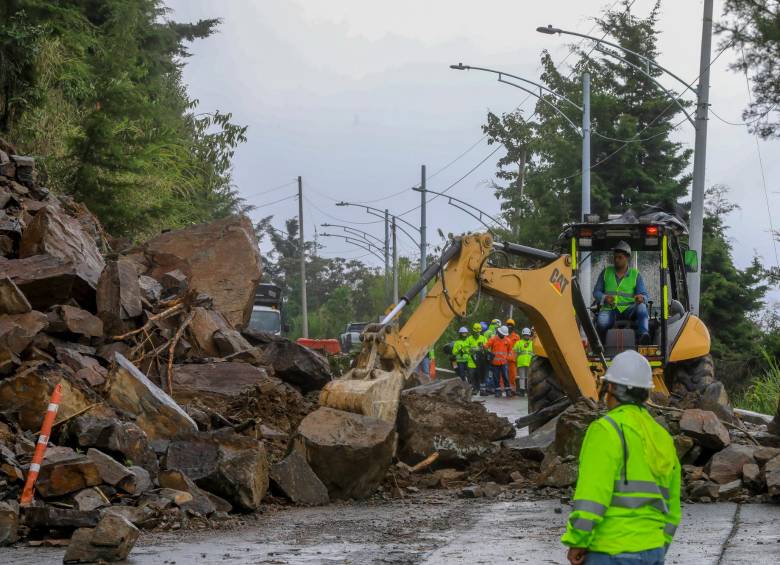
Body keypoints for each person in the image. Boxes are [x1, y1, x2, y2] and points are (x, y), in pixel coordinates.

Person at [562, 350, 681, 565]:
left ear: (611, 388)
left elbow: (592, 497)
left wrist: (578, 541)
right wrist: (658, 546)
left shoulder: (606, 430)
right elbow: (672, 506)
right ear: (646, 393)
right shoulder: (662, 436)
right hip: (653, 551)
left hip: (610, 551)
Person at [592, 241, 651, 345]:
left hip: (630, 309)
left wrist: (642, 298)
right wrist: (604, 298)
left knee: (642, 307)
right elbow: (596, 292)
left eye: (620, 257)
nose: (616, 260)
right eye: (615, 257)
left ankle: (644, 335)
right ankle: (600, 345)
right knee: (601, 322)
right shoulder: (606, 272)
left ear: (627, 257)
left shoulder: (636, 274)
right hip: (610, 308)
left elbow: (645, 295)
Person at [485, 325, 513, 398]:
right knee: (496, 377)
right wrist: (487, 351)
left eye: (504, 334)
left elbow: (510, 351)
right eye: (502, 334)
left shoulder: (508, 341)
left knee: (506, 377)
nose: (503, 335)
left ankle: (508, 391)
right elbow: (486, 346)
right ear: (499, 332)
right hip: (495, 363)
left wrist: (507, 357)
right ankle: (498, 391)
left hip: (504, 363)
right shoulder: (493, 339)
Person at [513, 327, 534, 396]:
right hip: (521, 363)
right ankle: (522, 390)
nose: (526, 336)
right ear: (523, 335)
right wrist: (515, 361)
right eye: (525, 335)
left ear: (529, 335)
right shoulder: (518, 343)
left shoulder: (532, 343)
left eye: (527, 335)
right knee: (522, 377)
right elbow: (515, 352)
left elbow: (534, 353)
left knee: (529, 377)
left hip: (530, 362)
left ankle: (528, 390)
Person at [471, 322, 489, 394]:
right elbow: (468, 349)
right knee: (473, 375)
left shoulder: (484, 339)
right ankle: (475, 389)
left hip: (481, 360)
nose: (477, 333)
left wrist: (479, 349)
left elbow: (486, 349)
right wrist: (476, 349)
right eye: (476, 332)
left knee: (482, 375)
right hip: (472, 360)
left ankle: (482, 390)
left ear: (480, 331)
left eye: (478, 332)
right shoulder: (470, 339)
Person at [506, 319, 520, 392]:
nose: (509, 326)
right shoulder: (504, 335)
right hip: (504, 359)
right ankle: (502, 388)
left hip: (512, 359)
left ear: (513, 327)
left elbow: (519, 348)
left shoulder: (516, 337)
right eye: (508, 325)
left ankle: (513, 389)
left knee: (513, 375)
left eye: (511, 325)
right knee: (503, 375)